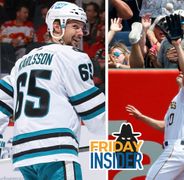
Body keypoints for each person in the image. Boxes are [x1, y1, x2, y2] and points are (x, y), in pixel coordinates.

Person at [0, 1, 105, 179]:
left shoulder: (22, 62)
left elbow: (2, 102)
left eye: (82, 27)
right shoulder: (74, 57)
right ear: (57, 27)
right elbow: (94, 115)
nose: (81, 32)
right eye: (75, 26)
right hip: (56, 149)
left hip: (23, 155)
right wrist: (111, 131)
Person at [126, 14, 184, 179]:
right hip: (183, 151)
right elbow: (164, 126)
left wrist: (177, 45)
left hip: (176, 150)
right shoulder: (181, 97)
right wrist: (141, 117)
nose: (181, 73)